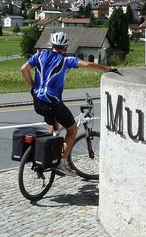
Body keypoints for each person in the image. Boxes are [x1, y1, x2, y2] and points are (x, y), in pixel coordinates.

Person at [20, 31, 119, 176]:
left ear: (52, 45)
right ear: (65, 47)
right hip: (52, 102)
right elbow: (88, 65)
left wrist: (33, 84)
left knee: (53, 127)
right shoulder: (66, 60)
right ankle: (62, 162)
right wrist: (107, 69)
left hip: (37, 101)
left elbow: (23, 69)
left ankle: (48, 157)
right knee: (72, 129)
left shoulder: (39, 55)